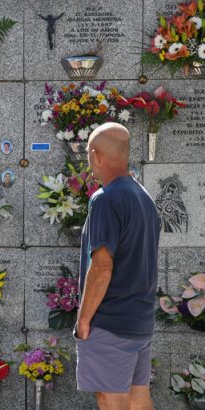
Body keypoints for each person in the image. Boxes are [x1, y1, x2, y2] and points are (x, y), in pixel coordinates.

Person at [75, 122, 160, 410]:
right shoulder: (144, 198)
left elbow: (101, 267)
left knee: (111, 401)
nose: (88, 161)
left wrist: (84, 320)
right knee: (138, 398)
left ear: (97, 155)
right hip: (140, 320)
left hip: (110, 322)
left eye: (88, 153)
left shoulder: (105, 200)